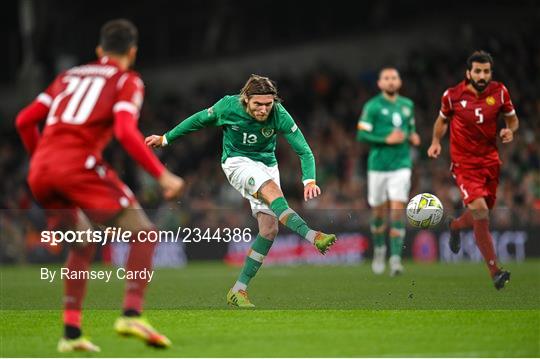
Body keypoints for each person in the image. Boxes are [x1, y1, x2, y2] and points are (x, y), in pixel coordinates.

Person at [15, 19, 184, 352]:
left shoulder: (68, 77)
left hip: (41, 172)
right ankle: (132, 313)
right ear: (132, 52)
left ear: (99, 50)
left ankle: (71, 334)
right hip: (77, 166)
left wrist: (42, 161)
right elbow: (124, 131)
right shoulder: (127, 80)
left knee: (82, 242)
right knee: (145, 232)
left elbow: (23, 120)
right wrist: (162, 175)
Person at [146, 74, 337, 308]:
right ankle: (313, 236)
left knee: (269, 230)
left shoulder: (278, 113)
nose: (264, 109)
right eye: (258, 104)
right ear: (246, 99)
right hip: (236, 162)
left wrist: (309, 180)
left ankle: (238, 290)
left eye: (268, 104)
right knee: (272, 192)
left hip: (267, 164)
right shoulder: (228, 105)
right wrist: (166, 139)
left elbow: (304, 150)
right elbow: (198, 121)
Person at [427, 50, 518, 290]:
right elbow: (441, 121)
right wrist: (436, 142)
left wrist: (510, 130)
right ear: (469, 73)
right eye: (477, 71)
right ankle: (495, 271)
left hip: (490, 163)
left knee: (482, 213)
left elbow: (512, 118)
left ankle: (455, 225)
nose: (482, 75)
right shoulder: (452, 96)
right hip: (464, 163)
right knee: (480, 211)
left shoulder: (500, 92)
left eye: (486, 71)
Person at [357, 67, 420, 276]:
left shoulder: (407, 105)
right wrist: (385, 139)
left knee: (397, 209)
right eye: (386, 78)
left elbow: (410, 128)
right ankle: (379, 249)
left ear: (399, 82)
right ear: (380, 83)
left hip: (401, 165)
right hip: (377, 167)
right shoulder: (373, 106)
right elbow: (361, 135)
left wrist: (413, 136)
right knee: (378, 213)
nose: (390, 81)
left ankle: (395, 259)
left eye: (394, 78)